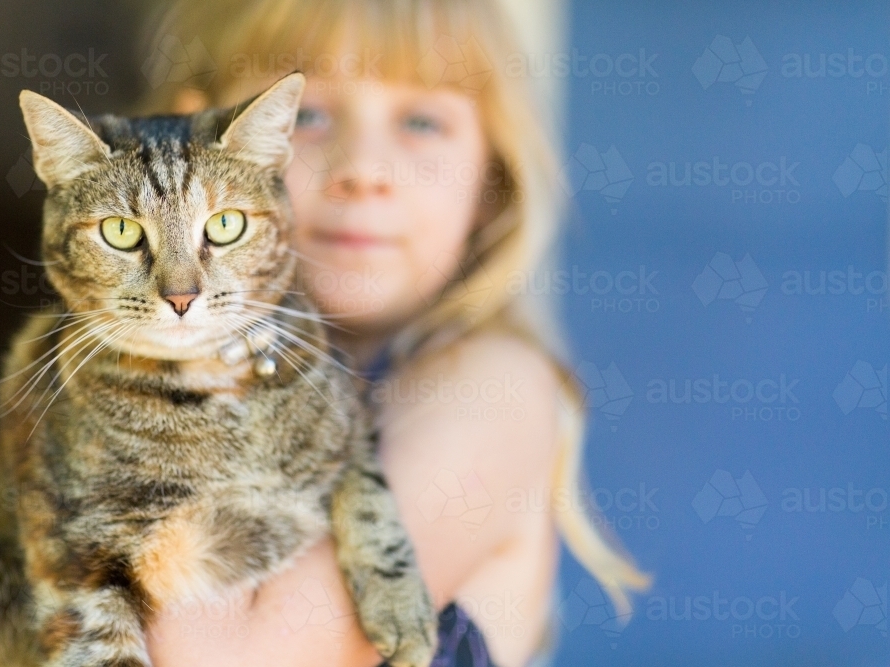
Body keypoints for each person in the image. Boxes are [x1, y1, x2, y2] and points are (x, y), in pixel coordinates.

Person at [142, 1, 650, 665]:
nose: (364, 169)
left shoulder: (491, 387)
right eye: (309, 113)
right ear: (190, 143)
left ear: (490, 180)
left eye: (422, 121)